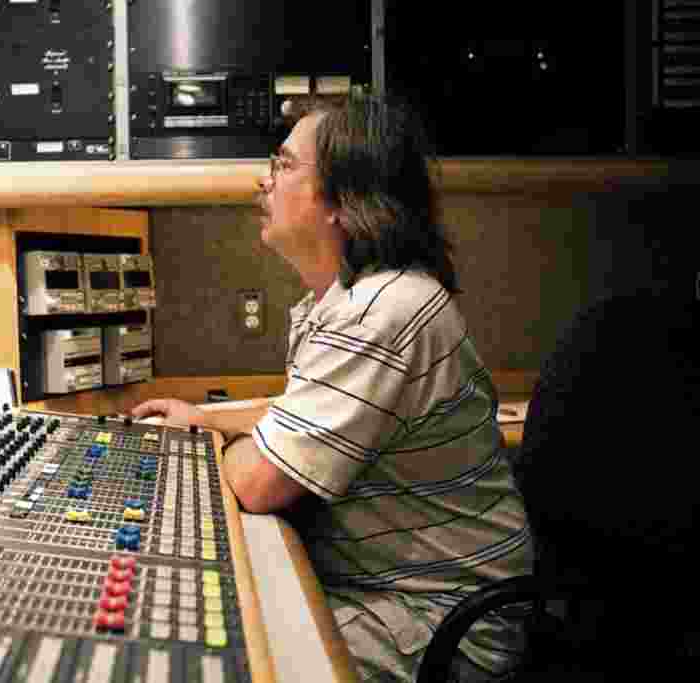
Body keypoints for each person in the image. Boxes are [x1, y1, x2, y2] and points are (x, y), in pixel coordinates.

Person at [132, 95, 534, 682]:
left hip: (439, 620)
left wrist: (219, 448)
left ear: (345, 203)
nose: (264, 182)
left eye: (285, 166)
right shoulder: (351, 300)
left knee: (213, 662)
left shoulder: (381, 313)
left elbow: (258, 482)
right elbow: (308, 413)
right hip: (396, 595)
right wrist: (206, 419)